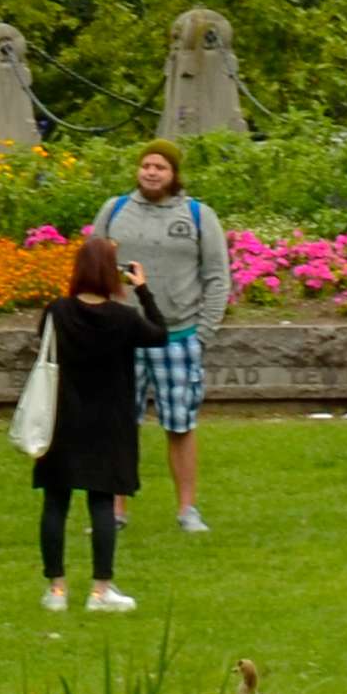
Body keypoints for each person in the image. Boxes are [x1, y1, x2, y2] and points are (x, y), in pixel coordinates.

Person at [86, 141, 234, 531]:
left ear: (174, 174)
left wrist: (202, 334)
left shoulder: (199, 216)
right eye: (146, 166)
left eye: (161, 167)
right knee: (118, 424)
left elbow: (218, 277)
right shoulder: (114, 211)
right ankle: (115, 512)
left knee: (180, 425)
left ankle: (187, 510)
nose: (151, 172)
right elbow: (90, 267)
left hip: (178, 337)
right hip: (120, 339)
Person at [34, 234, 168, 614]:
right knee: (102, 503)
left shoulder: (57, 311)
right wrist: (143, 290)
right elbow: (160, 333)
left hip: (61, 418)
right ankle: (100, 589)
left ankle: (56, 589)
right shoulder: (123, 320)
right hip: (109, 420)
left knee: (55, 502)